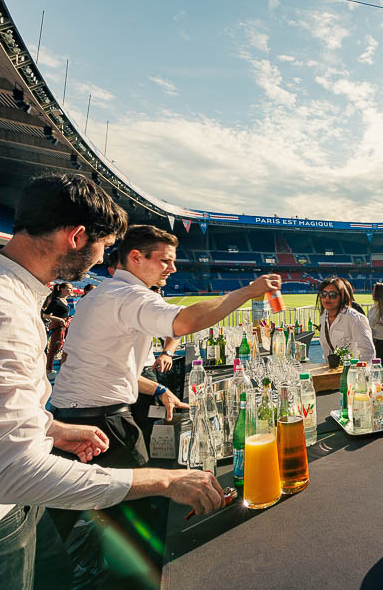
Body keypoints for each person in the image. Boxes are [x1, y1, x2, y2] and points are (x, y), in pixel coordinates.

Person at [0, 175, 224, 590]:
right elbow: (13, 472)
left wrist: (52, 428)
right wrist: (166, 479)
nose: (102, 259)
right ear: (78, 237)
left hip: (3, 504)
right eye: (102, 246)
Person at [48, 225, 282, 557]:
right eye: (165, 261)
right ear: (136, 257)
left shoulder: (99, 294)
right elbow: (185, 322)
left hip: (69, 421)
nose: (172, 269)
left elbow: (104, 367)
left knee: (65, 524)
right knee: (143, 520)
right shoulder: (129, 295)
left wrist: (159, 390)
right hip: (104, 428)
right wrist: (247, 291)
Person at [317, 276, 375, 363]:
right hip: (332, 372)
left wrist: (357, 373)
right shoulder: (323, 317)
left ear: (342, 296)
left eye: (333, 295)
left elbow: (368, 351)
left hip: (352, 373)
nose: (327, 298)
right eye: (324, 294)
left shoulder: (354, 318)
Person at [42, 281, 73, 373]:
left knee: (64, 346)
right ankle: (48, 370)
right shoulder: (56, 301)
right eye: (69, 288)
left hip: (65, 325)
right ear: (62, 289)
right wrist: (59, 319)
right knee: (53, 348)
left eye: (72, 288)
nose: (71, 290)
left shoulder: (66, 300)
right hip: (58, 325)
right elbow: (46, 315)